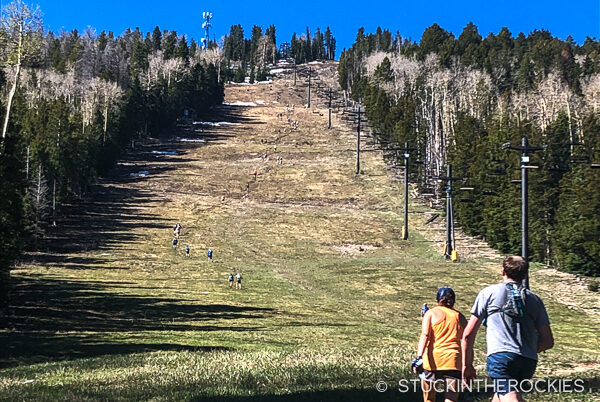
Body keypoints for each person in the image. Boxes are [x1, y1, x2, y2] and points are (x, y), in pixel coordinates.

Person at [462, 256, 554, 402]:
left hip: (501, 357)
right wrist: (527, 348)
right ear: (525, 275)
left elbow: (467, 334)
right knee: (500, 396)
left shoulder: (488, 293)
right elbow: (548, 341)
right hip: (528, 360)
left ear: (502, 271)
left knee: (511, 398)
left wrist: (467, 365)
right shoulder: (535, 300)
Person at [413, 287, 467, 402]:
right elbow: (466, 340)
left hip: (432, 361)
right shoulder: (460, 317)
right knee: (451, 398)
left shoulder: (431, 313)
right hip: (454, 360)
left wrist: (418, 357)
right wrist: (467, 363)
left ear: (438, 299)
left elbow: (425, 335)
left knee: (429, 398)